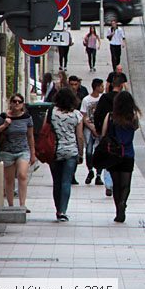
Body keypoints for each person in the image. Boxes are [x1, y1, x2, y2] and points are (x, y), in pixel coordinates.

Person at [101, 90, 140, 223]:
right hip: (128, 153)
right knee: (126, 184)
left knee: (116, 184)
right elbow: (135, 128)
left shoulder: (110, 116)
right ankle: (123, 202)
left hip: (113, 154)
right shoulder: (133, 117)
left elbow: (103, 133)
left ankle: (118, 208)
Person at [49, 87, 84, 222]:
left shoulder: (51, 112)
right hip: (71, 151)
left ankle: (57, 209)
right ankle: (63, 210)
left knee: (56, 182)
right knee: (66, 182)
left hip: (54, 151)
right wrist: (81, 153)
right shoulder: (76, 115)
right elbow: (80, 136)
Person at [0, 93, 35, 211]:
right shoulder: (3, 117)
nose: (17, 103)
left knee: (22, 175)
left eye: (19, 101)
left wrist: (33, 153)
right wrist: (5, 125)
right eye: (14, 101)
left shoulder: (27, 118)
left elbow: (30, 136)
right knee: (9, 179)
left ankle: (22, 204)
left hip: (23, 150)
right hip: (7, 151)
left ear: (23, 104)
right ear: (11, 103)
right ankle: (10, 205)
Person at [95, 72, 128, 198]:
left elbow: (98, 114)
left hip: (107, 132)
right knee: (120, 156)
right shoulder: (124, 98)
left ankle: (109, 184)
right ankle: (118, 182)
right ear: (121, 86)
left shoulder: (104, 98)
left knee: (108, 156)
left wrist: (98, 129)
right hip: (121, 133)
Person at [80, 78, 105, 185]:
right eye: (102, 86)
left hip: (100, 128)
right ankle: (90, 171)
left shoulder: (103, 99)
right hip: (89, 129)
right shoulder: (86, 100)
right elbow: (83, 116)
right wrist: (91, 127)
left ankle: (99, 175)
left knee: (100, 152)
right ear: (97, 87)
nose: (103, 88)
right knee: (89, 151)